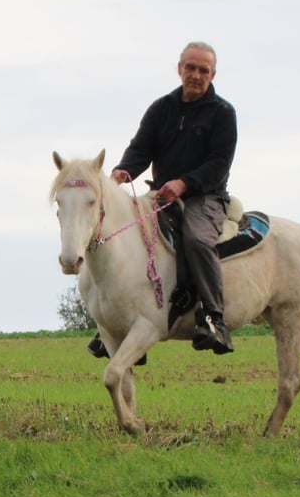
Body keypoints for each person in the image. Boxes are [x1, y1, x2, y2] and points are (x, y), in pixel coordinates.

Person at [88, 41, 237, 358]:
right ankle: (116, 322)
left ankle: (213, 317)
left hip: (205, 196)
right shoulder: (162, 108)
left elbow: (219, 164)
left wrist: (185, 183)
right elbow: (141, 148)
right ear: (179, 68)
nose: (196, 75)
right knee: (125, 235)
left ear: (213, 74)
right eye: (191, 68)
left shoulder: (223, 113)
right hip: (161, 194)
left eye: (203, 70)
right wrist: (122, 173)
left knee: (197, 239)